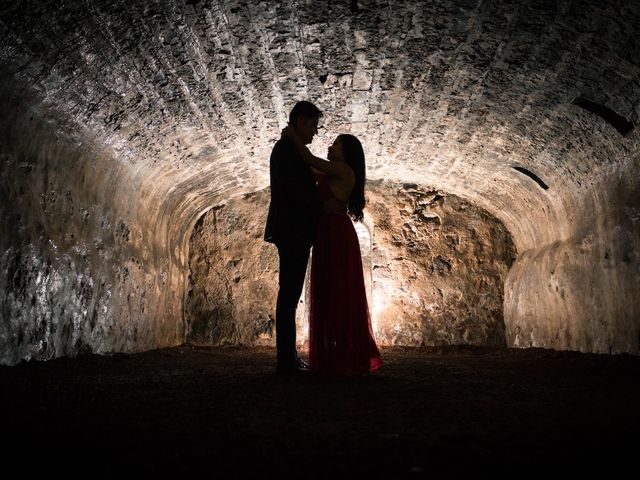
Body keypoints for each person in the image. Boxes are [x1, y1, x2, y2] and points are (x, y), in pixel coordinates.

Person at [282, 126, 383, 376]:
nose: (330, 146)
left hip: (336, 232)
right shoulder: (333, 171)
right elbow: (309, 170)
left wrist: (292, 135)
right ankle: (334, 356)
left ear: (346, 152)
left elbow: (309, 160)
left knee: (337, 288)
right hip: (327, 231)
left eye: (336, 144)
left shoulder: (344, 169)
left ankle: (341, 356)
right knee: (329, 288)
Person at [264, 101, 343, 374]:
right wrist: (323, 207)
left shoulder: (289, 150)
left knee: (290, 292)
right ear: (299, 122)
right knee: (289, 294)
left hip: (292, 229)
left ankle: (287, 357)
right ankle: (286, 360)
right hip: (292, 229)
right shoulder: (286, 151)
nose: (314, 132)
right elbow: (295, 194)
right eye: (312, 125)